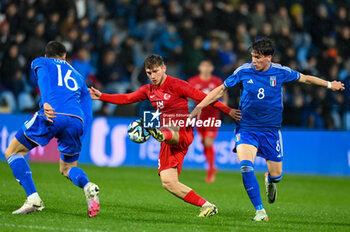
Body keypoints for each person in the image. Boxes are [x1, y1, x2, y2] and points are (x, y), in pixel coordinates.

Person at [190, 37, 345, 221]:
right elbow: (221, 89)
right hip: (246, 128)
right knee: (246, 167)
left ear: (269, 57)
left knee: (277, 174)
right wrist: (200, 105)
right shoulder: (244, 71)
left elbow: (305, 79)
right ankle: (260, 211)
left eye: (258, 57)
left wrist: (329, 84)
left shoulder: (280, 72)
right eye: (253, 56)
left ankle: (270, 180)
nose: (254, 61)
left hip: (271, 130)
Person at [89, 54, 241, 217]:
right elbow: (127, 98)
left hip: (182, 130)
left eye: (155, 71)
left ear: (163, 68)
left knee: (166, 126)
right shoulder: (148, 90)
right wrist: (102, 96)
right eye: (149, 73)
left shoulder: (178, 85)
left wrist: (229, 110)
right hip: (168, 139)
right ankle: (207, 206)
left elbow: (206, 98)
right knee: (169, 182)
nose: (153, 76)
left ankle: (158, 132)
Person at [4, 41, 100, 217]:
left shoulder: (41, 61)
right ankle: (87, 185)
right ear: (65, 57)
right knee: (67, 168)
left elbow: (44, 79)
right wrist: (82, 133)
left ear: (47, 55)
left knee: (13, 152)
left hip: (52, 113)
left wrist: (45, 101)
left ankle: (33, 198)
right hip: (76, 121)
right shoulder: (78, 75)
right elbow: (87, 107)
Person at [188, 59, 229, 183]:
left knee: (208, 141)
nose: (206, 68)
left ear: (211, 68)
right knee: (203, 142)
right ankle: (212, 165)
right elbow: (186, 95)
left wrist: (224, 107)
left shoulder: (216, 81)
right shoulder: (193, 81)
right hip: (199, 116)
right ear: (199, 67)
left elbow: (224, 95)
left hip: (212, 116)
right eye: (203, 66)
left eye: (208, 66)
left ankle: (210, 171)